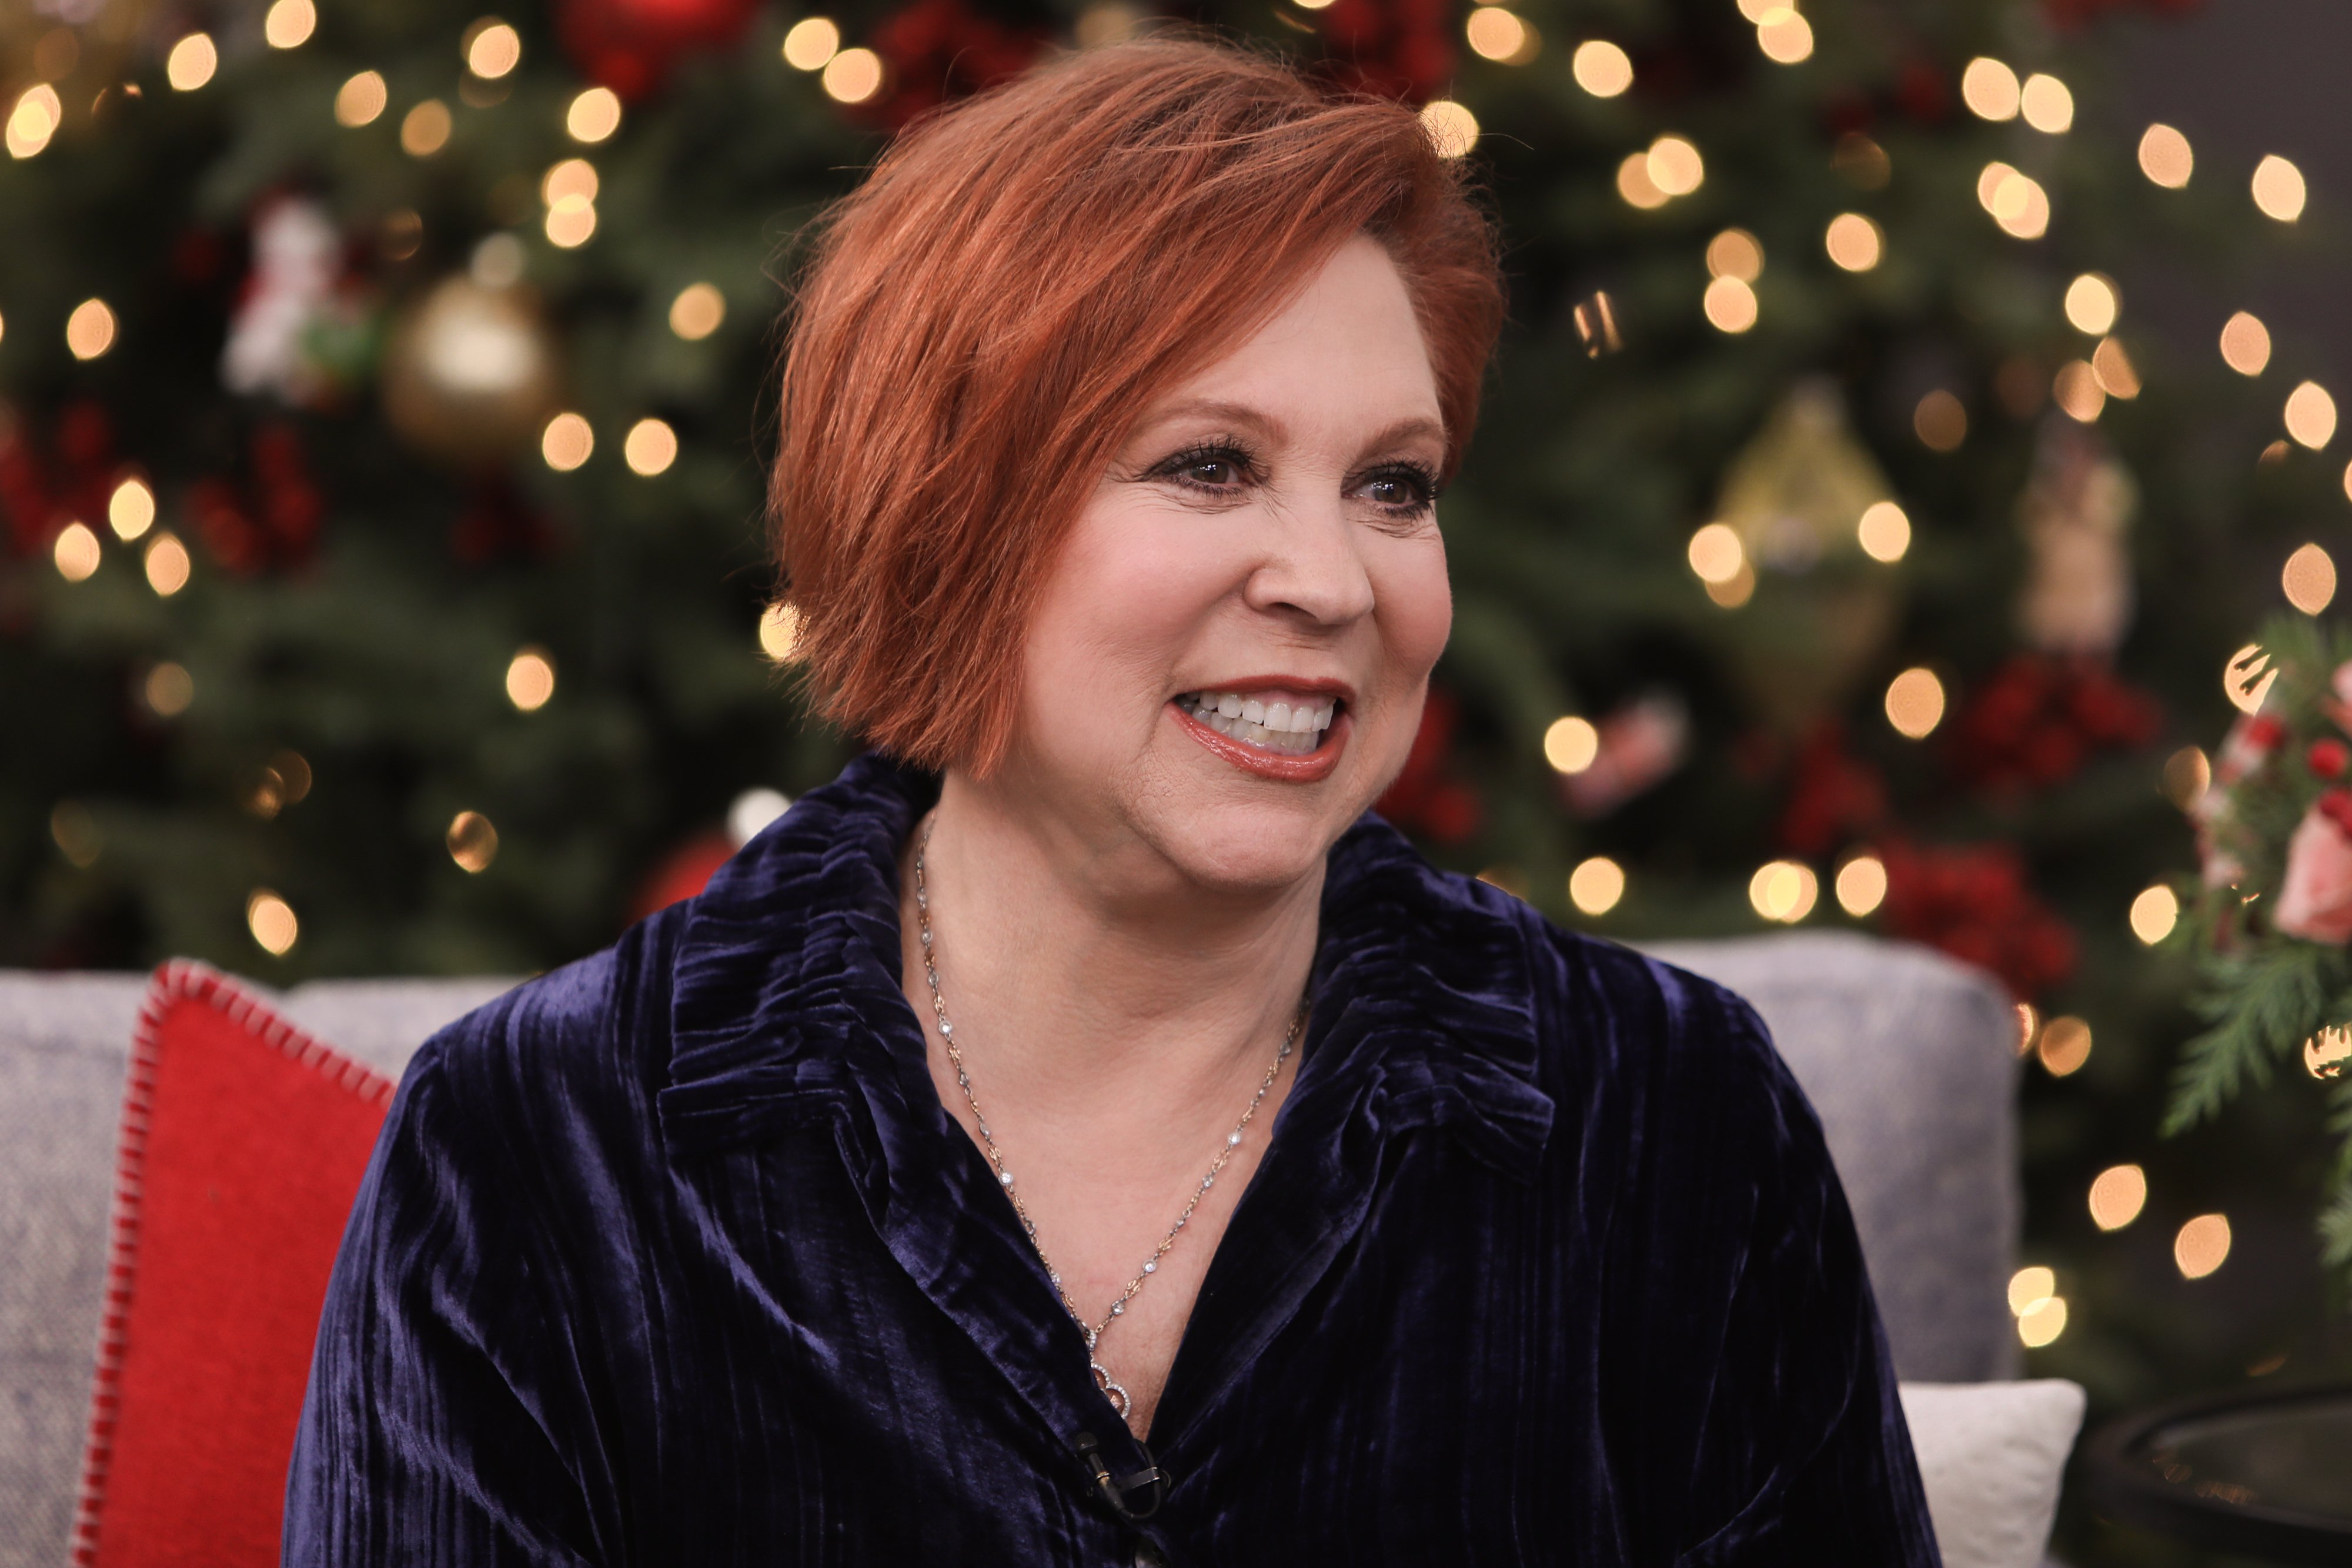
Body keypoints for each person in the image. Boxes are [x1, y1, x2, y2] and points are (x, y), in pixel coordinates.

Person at [286, 36, 1939, 1566]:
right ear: (945, 521)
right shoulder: (538, 1153)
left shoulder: (1674, 1121)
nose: (1330, 579)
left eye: (1393, 484)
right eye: (1210, 463)